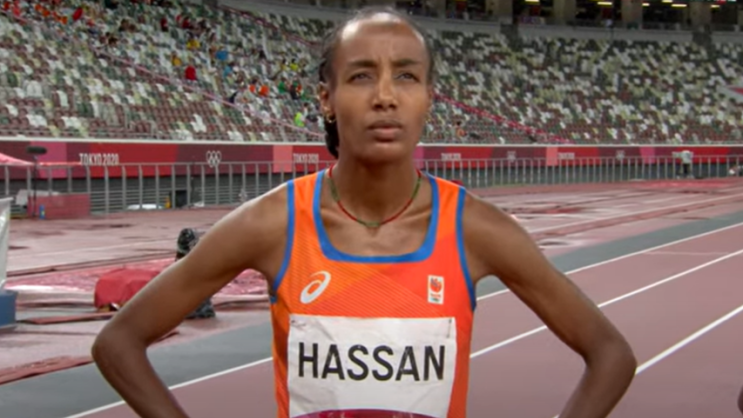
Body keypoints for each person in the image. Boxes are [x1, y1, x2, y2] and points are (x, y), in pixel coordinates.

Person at [91, 7, 636, 418]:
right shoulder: (273, 223)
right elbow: (118, 342)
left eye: (406, 76)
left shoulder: (476, 229)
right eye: (360, 76)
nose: (385, 96)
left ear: (429, 96)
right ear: (325, 99)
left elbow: (611, 354)